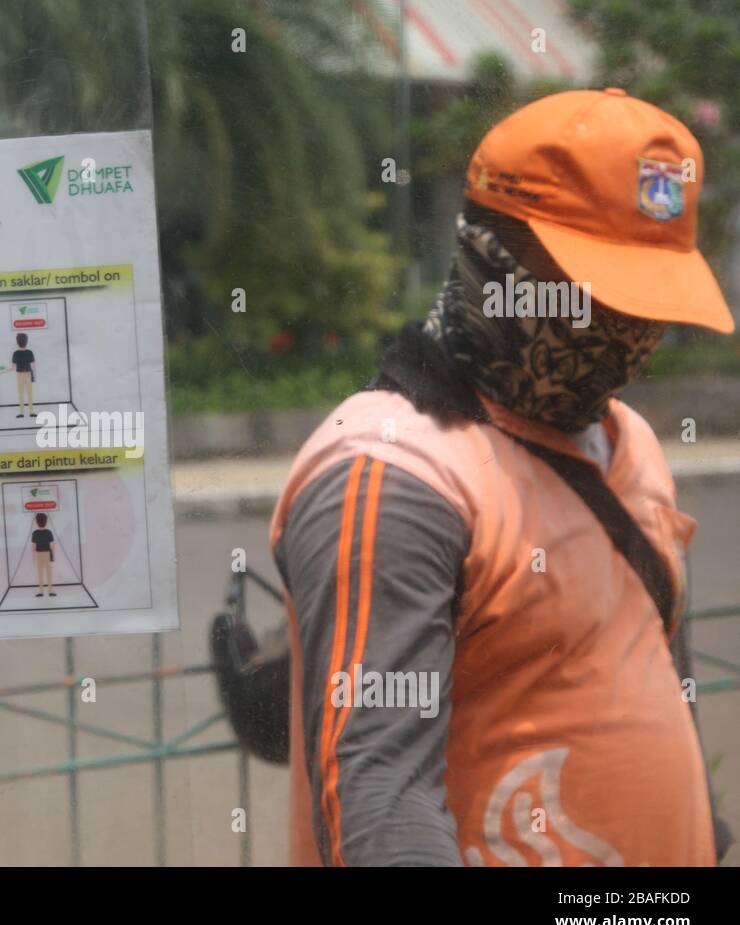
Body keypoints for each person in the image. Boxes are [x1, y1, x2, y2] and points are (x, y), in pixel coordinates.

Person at [270, 89, 734, 867]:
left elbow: (639, 668)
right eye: (598, 296)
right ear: (495, 254)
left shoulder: (630, 443)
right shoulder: (396, 476)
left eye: (647, 303)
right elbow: (380, 791)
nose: (627, 333)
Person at [9, 332, 36, 418]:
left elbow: (13, 368)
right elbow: (34, 366)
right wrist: (34, 376)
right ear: (26, 341)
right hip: (28, 374)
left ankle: (21, 413)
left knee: (21, 393)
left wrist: (3, 370)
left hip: (20, 375)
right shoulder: (30, 352)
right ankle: (31, 412)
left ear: (17, 342)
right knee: (29, 393)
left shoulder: (15, 353)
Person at [31, 512, 55, 597]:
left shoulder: (35, 533)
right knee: (49, 572)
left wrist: (33, 557)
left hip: (38, 554)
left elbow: (33, 547)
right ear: (46, 521)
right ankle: (50, 591)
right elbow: (51, 546)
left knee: (40, 573)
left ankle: (41, 591)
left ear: (37, 522)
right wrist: (52, 556)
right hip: (47, 553)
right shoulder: (49, 532)